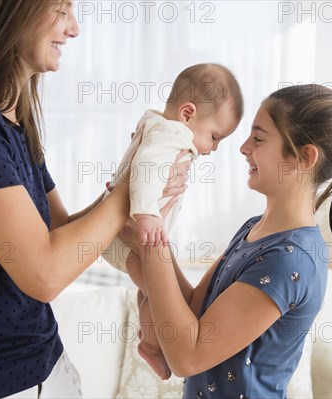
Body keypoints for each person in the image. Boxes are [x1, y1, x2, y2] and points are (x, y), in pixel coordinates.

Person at [0, 1, 189, 398]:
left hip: (44, 365)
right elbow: (44, 274)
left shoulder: (13, 120)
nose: (74, 29)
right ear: (7, 11)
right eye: (62, 10)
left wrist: (141, 195)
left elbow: (57, 230)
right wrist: (133, 188)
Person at [119, 84, 332, 398]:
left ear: (305, 157)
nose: (243, 147)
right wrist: (147, 232)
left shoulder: (290, 258)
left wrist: (151, 245)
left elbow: (187, 356)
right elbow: (193, 310)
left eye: (258, 138)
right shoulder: (255, 229)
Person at [101, 63, 243, 379]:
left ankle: (149, 342)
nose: (213, 148)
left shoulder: (158, 125)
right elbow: (147, 169)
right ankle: (151, 345)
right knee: (165, 298)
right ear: (187, 114)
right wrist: (147, 215)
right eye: (214, 136)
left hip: (123, 239)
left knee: (151, 292)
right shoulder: (173, 133)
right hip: (132, 238)